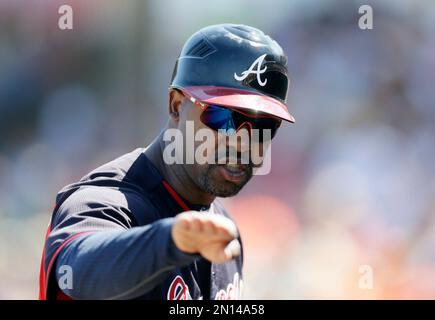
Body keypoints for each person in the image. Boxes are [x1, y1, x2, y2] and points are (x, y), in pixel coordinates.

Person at [39, 23, 295, 300]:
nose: (241, 141)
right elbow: (76, 271)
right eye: (223, 117)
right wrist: (169, 242)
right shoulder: (105, 200)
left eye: (263, 124)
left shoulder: (220, 227)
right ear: (176, 105)